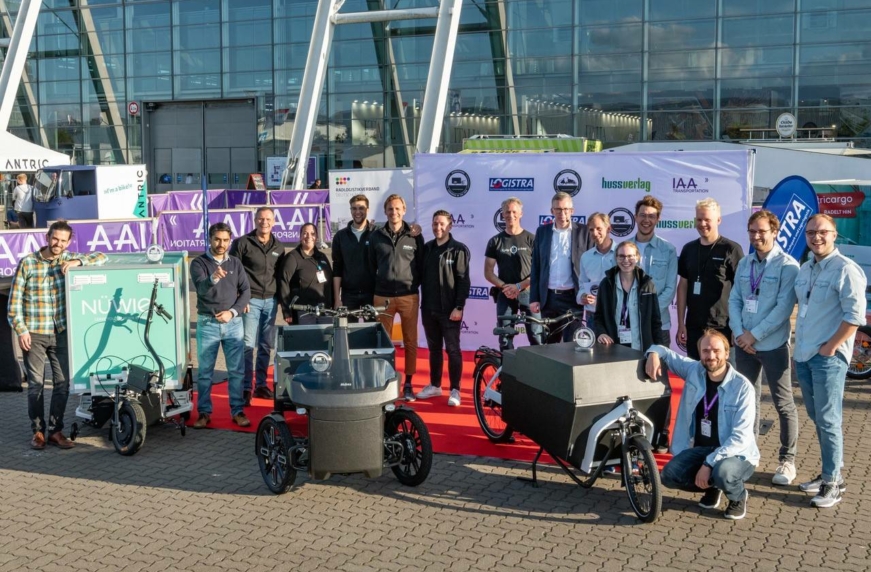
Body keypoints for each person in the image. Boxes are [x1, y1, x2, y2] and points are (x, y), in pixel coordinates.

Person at [8, 220, 107, 449]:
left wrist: (78, 261)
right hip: (34, 334)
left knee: (62, 384)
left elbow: (102, 257)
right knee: (36, 385)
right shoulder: (28, 263)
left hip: (61, 332)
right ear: (47, 237)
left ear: (69, 242)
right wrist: (21, 330)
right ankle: (38, 432)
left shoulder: (68, 258)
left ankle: (55, 431)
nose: (58, 244)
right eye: (55, 239)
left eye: (63, 240)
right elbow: (14, 303)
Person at [793, 213, 867, 508]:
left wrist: (831, 347)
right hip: (804, 355)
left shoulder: (846, 269)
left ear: (835, 235)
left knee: (828, 419)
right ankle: (829, 471)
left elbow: (855, 317)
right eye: (811, 232)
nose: (816, 237)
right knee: (819, 418)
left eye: (822, 231)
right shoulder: (805, 268)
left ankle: (833, 482)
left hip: (827, 359)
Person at [646, 329, 759, 520]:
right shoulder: (694, 370)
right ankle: (713, 487)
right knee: (669, 475)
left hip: (735, 454)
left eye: (716, 351)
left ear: (727, 353)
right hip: (703, 449)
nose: (711, 356)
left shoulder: (742, 387)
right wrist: (653, 354)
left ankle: (738, 496)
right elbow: (664, 351)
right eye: (706, 351)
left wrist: (708, 464)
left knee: (723, 473)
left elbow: (741, 438)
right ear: (699, 354)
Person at [728, 210, 800, 486]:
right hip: (743, 345)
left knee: (783, 403)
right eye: (752, 231)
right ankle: (748, 452)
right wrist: (739, 333)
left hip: (772, 345)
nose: (756, 236)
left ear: (774, 232)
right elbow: (735, 299)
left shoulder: (787, 266)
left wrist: (754, 335)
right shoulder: (745, 263)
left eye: (762, 231)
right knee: (747, 401)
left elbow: (783, 308)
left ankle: (787, 459)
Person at [190, 223, 252, 429]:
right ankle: (204, 413)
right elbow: (200, 289)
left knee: (236, 371)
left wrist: (232, 312)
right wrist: (213, 278)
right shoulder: (198, 263)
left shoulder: (235, 263)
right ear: (209, 239)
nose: (221, 244)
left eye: (225, 240)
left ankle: (237, 411)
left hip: (233, 324)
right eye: (217, 239)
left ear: (230, 241)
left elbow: (246, 291)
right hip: (207, 323)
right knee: (205, 373)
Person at [369, 194, 425, 401]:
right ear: (385, 211)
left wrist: (412, 285)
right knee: (383, 342)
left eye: (398, 208)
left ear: (404, 210)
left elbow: (421, 265)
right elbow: (371, 266)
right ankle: (386, 380)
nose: (394, 212)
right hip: (382, 297)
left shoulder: (414, 235)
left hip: (408, 296)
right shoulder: (376, 236)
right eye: (390, 209)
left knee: (410, 342)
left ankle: (408, 383)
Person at [229, 206, 285, 406]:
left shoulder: (279, 247)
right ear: (255, 220)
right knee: (247, 344)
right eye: (261, 219)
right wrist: (240, 298)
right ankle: (246, 388)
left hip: (271, 301)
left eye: (268, 219)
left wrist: (281, 301)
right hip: (249, 301)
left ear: (274, 222)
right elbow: (232, 270)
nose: (264, 222)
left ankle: (261, 385)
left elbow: (280, 275)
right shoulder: (242, 243)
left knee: (265, 345)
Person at [676, 198, 743, 359]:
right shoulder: (688, 249)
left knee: (724, 372)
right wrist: (680, 323)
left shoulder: (732, 249)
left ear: (718, 220)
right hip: (694, 327)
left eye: (707, 219)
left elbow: (741, 290)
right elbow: (683, 285)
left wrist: (737, 327)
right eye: (699, 219)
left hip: (723, 327)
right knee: (695, 371)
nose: (703, 224)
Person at [416, 210, 471, 406]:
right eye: (435, 224)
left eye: (441, 224)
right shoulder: (427, 248)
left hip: (450, 311)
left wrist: (459, 306)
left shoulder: (458, 249)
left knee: (453, 350)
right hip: (428, 309)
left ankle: (455, 389)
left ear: (450, 225)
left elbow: (463, 281)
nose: (437, 227)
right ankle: (435, 385)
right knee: (434, 350)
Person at [529, 192, 588, 344]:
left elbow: (591, 265)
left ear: (572, 211)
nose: (562, 213)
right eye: (558, 209)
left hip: (573, 298)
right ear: (552, 211)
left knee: (572, 345)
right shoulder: (542, 232)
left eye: (566, 209)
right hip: (548, 298)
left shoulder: (584, 232)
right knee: (549, 345)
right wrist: (534, 298)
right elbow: (536, 266)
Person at [484, 197, 541, 348]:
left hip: (529, 294)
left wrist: (519, 286)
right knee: (505, 339)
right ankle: (507, 364)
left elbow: (539, 271)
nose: (511, 215)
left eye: (514, 212)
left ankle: (538, 364)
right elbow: (488, 272)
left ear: (521, 213)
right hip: (505, 294)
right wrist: (506, 287)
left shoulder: (532, 239)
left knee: (537, 337)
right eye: (507, 212)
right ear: (502, 214)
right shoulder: (495, 241)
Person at [594, 241, 669, 351]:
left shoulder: (647, 285)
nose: (626, 260)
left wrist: (659, 350)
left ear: (637, 257)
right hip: (613, 349)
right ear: (616, 258)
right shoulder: (606, 284)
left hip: (640, 349)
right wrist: (601, 333)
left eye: (630, 256)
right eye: (621, 256)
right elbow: (598, 316)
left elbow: (655, 321)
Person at [634, 196, 677, 342]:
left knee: (660, 358)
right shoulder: (623, 249)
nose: (646, 220)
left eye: (651, 216)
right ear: (635, 217)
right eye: (642, 215)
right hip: (630, 324)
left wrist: (650, 310)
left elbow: (670, 288)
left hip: (659, 324)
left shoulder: (668, 250)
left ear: (658, 219)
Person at [279, 223, 333, 325]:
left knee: (326, 335)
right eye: (305, 233)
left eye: (312, 233)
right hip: (302, 311)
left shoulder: (322, 257)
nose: (309, 237)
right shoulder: (292, 257)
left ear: (317, 237)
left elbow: (330, 282)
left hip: (324, 310)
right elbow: (283, 283)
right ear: (300, 236)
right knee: (306, 335)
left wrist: (333, 305)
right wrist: (286, 311)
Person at [332, 194, 377, 311]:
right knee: (347, 325)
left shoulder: (376, 234)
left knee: (372, 324)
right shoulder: (340, 236)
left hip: (372, 294)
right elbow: (337, 268)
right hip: (348, 295)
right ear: (350, 210)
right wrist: (337, 298)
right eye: (354, 208)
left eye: (361, 208)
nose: (357, 212)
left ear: (367, 210)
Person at [578, 212, 616, 330]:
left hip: (616, 313)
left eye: (599, 229)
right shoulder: (586, 257)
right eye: (591, 230)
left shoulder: (622, 254)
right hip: (593, 314)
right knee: (594, 343)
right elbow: (582, 285)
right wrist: (583, 296)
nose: (595, 233)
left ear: (608, 228)